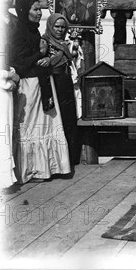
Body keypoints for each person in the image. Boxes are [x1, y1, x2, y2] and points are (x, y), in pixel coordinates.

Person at [9, 0, 71, 183]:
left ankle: (46, 168)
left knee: (45, 126)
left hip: (41, 82)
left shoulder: (34, 31)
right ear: (24, 11)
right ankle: (31, 170)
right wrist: (41, 53)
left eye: (39, 9)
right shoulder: (18, 32)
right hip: (29, 86)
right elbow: (19, 63)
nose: (39, 13)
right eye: (35, 9)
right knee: (30, 127)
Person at [0, 0, 20, 188]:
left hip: (11, 74)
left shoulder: (15, 21)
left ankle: (7, 178)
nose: (8, 0)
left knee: (8, 127)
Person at [42, 13, 81, 167]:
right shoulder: (44, 41)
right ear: (50, 26)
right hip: (52, 82)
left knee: (69, 117)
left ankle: (71, 158)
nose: (59, 30)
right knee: (55, 119)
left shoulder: (66, 43)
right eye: (56, 26)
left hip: (65, 82)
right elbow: (42, 62)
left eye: (63, 27)